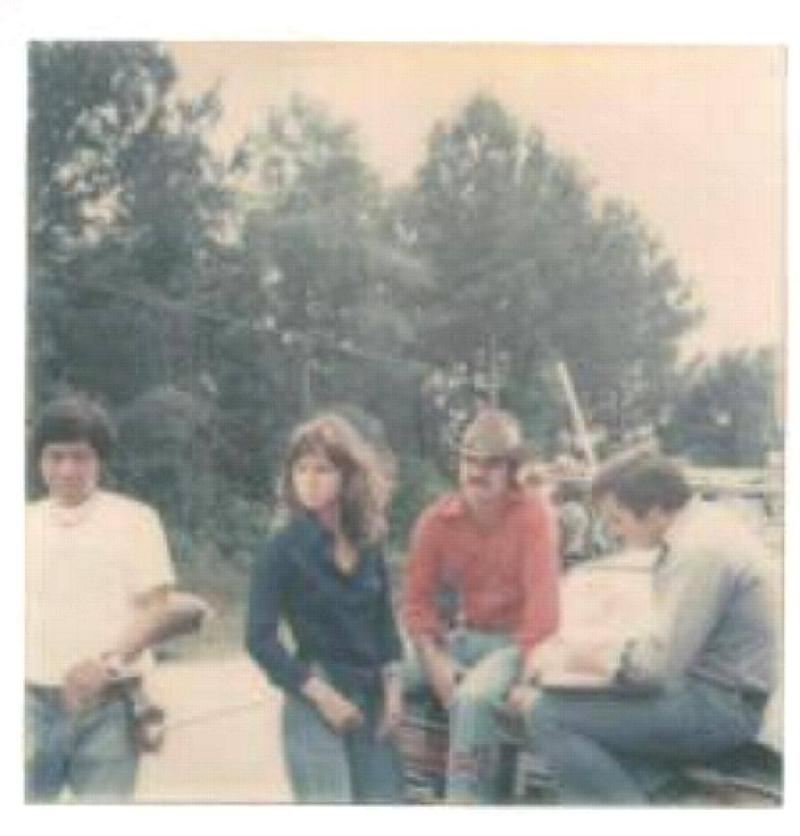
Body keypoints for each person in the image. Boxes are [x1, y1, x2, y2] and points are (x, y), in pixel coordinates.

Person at [515, 450, 778, 804]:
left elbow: (651, 670)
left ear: (654, 511)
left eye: (617, 520)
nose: (613, 532)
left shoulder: (698, 552)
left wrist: (571, 661)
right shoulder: (707, 527)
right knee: (573, 705)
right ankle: (659, 795)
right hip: (719, 694)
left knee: (548, 713)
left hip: (719, 708)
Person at [25, 394, 179, 802]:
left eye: (81, 457)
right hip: (27, 709)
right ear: (39, 459)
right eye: (55, 456)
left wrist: (107, 664)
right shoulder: (21, 522)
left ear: (100, 459)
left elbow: (158, 609)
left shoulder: (135, 519)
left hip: (108, 708)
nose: (68, 469)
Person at [245, 414, 405, 803]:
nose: (310, 480)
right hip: (315, 697)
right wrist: (322, 696)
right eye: (301, 469)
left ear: (349, 476)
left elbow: (384, 627)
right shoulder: (281, 548)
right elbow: (259, 639)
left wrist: (395, 694)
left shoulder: (368, 542)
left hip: (373, 698)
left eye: (323, 469)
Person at [402, 408, 560, 802]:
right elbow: (417, 605)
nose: (479, 472)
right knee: (370, 671)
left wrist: (527, 672)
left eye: (492, 464)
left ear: (514, 470)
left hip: (516, 643)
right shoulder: (435, 520)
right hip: (464, 637)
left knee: (472, 698)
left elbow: (543, 615)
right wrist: (435, 659)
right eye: (470, 460)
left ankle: (464, 802)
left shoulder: (534, 517)